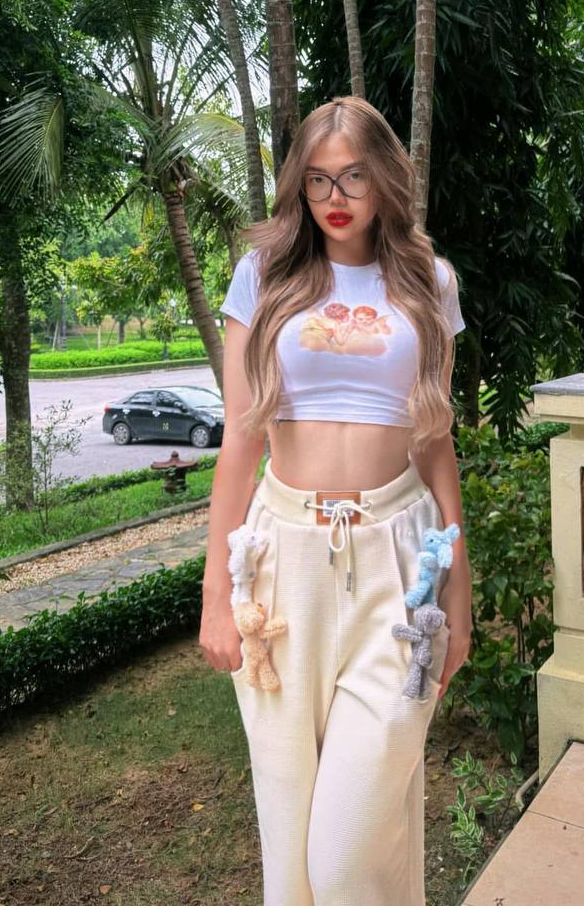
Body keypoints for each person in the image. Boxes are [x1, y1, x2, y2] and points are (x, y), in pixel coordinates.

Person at [199, 95, 472, 906]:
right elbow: (240, 440)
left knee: (347, 858)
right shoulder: (263, 278)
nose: (335, 197)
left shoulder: (429, 282)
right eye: (317, 180)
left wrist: (460, 587)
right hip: (281, 569)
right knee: (292, 852)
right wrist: (215, 596)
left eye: (354, 175)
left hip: (399, 564)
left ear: (386, 177)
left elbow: (435, 443)